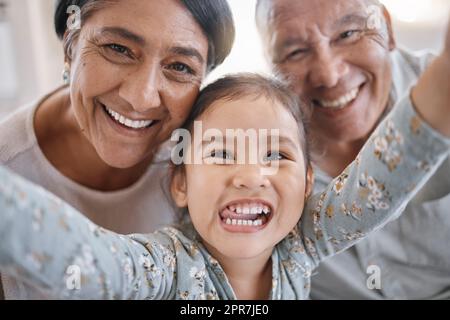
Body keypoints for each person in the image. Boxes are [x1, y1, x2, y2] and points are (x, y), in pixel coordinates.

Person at [0, 73, 449, 299]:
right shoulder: (165, 267)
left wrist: (443, 81)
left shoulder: (301, 245)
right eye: (220, 154)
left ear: (308, 183)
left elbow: (377, 189)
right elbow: (86, 257)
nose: (251, 175)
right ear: (181, 183)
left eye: (276, 155)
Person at [0, 0, 234, 300]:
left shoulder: (208, 171)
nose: (142, 98)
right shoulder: (8, 168)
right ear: (70, 45)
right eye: (118, 49)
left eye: (179, 67)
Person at [256, 0, 450, 299]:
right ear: (272, 69)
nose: (329, 75)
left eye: (347, 34)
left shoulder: (442, 85)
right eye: (296, 52)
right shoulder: (256, 165)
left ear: (387, 28)